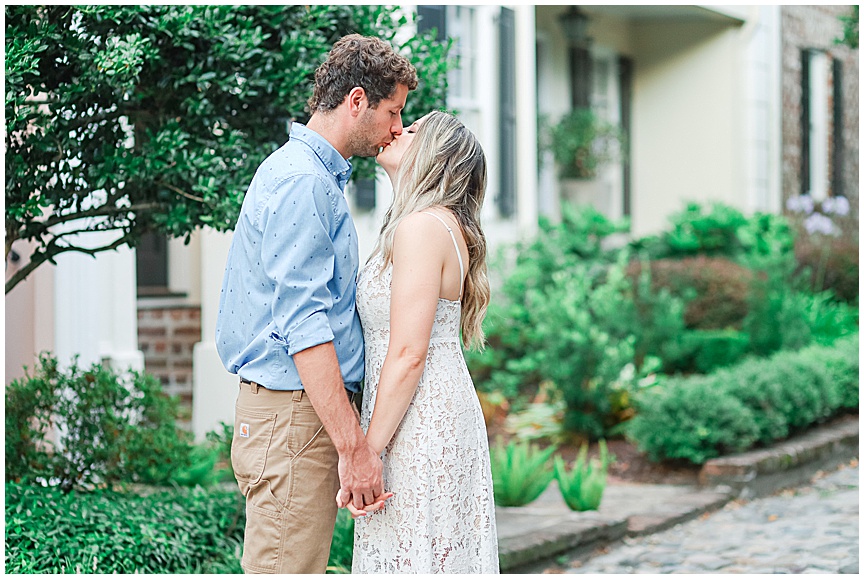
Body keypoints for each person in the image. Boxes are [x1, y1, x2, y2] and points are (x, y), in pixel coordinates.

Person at [214, 34, 418, 574]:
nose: (397, 128)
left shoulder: (309, 176)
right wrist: (355, 449)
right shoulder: (304, 182)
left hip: (297, 416)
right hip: (293, 418)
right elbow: (305, 326)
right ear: (357, 101)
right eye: (393, 112)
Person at [341, 111, 500, 573]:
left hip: (420, 420)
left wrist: (366, 452)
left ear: (434, 156)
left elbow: (410, 354)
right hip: (419, 411)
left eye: (411, 130)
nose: (397, 130)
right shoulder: (426, 224)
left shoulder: (422, 227)